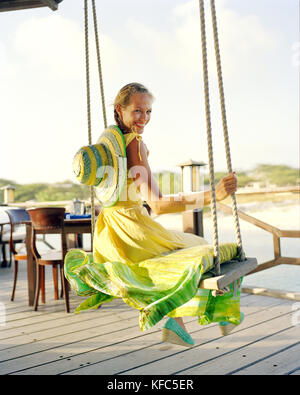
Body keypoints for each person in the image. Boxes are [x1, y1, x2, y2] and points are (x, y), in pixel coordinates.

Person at [65, 82, 243, 348]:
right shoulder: (134, 144)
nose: (144, 119)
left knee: (164, 264)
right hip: (131, 231)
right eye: (138, 111)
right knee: (201, 250)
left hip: (111, 234)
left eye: (148, 112)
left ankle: (177, 324)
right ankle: (219, 308)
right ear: (119, 109)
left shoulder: (109, 144)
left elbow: (126, 195)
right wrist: (212, 196)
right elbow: (157, 204)